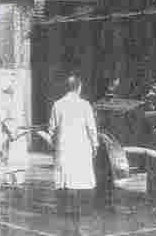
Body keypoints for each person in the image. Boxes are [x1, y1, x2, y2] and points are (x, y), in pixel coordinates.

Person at [48, 74, 98, 233]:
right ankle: (79, 213)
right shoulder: (85, 105)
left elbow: (52, 129)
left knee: (65, 180)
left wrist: (53, 145)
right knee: (80, 180)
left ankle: (66, 212)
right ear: (79, 87)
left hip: (64, 148)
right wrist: (95, 144)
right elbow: (91, 128)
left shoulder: (57, 104)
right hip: (81, 148)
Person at [0, 81, 28, 187]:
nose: (14, 87)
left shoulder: (16, 100)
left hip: (20, 131)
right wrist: (10, 133)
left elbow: (22, 116)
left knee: (20, 156)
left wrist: (24, 129)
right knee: (9, 156)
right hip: (9, 132)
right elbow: (3, 119)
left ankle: (19, 180)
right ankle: (9, 180)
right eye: (12, 85)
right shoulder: (1, 101)